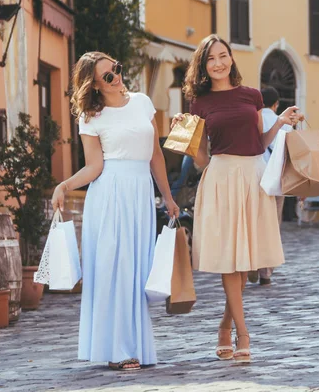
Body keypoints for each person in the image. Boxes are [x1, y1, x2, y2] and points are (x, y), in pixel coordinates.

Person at [172, 34, 302, 364]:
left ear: (231, 58)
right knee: (232, 260)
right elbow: (202, 158)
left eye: (223, 55)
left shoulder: (251, 95)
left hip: (253, 175)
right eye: (211, 59)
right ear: (203, 66)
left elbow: (258, 141)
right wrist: (183, 136)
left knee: (245, 263)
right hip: (221, 177)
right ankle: (243, 333)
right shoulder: (199, 103)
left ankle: (224, 326)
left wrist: (282, 123)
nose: (218, 62)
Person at [51, 51, 179, 371]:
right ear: (93, 84)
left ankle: (135, 345)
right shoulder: (91, 117)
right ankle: (119, 349)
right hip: (110, 196)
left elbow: (156, 157)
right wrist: (64, 186)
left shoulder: (142, 102)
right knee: (116, 270)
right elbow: (94, 167)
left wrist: (167, 196)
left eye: (117, 69)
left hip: (140, 197)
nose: (116, 77)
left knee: (136, 271)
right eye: (107, 75)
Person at [248, 86, 293, 286]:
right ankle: (266, 272)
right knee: (272, 225)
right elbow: (291, 155)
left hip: (255, 176)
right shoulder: (284, 125)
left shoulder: (253, 119)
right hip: (277, 181)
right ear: (276, 104)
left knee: (253, 221)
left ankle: (250, 262)